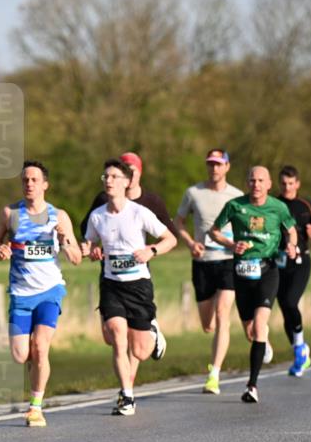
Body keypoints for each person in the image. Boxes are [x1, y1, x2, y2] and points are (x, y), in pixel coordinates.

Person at [0, 161, 82, 427]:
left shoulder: (59, 216)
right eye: (25, 180)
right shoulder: (10, 213)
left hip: (50, 291)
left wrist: (64, 240)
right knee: (21, 355)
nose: (29, 184)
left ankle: (36, 407)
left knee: (41, 347)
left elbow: (76, 258)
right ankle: (36, 374)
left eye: (34, 180)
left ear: (45, 185)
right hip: (20, 292)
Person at [83, 159, 176, 416]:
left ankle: (153, 331)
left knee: (141, 350)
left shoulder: (139, 213)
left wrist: (152, 250)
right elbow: (89, 244)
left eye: (114, 176)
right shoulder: (97, 216)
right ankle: (127, 395)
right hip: (111, 285)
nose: (109, 180)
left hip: (138, 286)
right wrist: (91, 251)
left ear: (126, 182)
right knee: (116, 336)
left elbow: (170, 238)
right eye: (106, 177)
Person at [210, 166, 297, 403]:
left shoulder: (278, 207)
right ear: (247, 183)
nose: (256, 184)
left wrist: (291, 245)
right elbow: (213, 231)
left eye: (260, 180)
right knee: (250, 331)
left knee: (259, 325)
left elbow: (291, 231)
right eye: (252, 180)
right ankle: (263, 340)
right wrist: (231, 245)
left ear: (269, 184)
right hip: (242, 273)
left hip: (268, 271)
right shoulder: (235, 206)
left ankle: (252, 386)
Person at [173, 148, 244, 394]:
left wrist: (240, 244)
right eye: (210, 164)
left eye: (218, 164)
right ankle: (214, 357)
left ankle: (214, 374)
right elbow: (178, 221)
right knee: (208, 324)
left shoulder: (237, 196)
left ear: (227, 167)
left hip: (227, 260)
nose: (214, 168)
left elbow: (245, 225)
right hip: (202, 262)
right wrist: (191, 243)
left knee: (223, 312)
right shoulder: (194, 193)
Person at [276, 165, 311, 377]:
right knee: (285, 308)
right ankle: (299, 352)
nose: (287, 187)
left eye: (291, 183)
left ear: (297, 184)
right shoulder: (272, 204)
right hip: (278, 261)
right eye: (283, 183)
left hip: (301, 262)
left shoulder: (306, 205)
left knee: (290, 301)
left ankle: (301, 346)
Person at [80, 152, 179, 241]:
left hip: (140, 260)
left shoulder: (152, 201)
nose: (129, 175)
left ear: (140, 173)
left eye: (132, 171)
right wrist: (95, 247)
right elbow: (86, 230)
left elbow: (171, 236)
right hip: (108, 259)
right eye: (125, 172)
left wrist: (151, 249)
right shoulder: (104, 199)